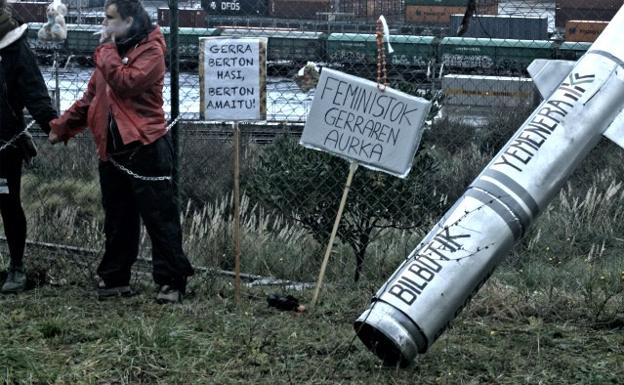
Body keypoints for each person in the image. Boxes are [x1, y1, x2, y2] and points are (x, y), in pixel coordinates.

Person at [49, 0, 194, 303]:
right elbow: (92, 97)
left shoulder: (151, 51)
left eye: (109, 18)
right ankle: (115, 278)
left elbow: (126, 83)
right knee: (118, 218)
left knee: (159, 218)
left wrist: (104, 49)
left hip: (146, 146)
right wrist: (62, 126)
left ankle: (172, 282)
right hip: (112, 149)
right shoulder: (110, 55)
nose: (104, 23)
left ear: (128, 21)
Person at [0, 0, 58, 293]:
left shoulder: (15, 49)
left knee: (8, 204)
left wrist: (55, 127)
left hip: (4, 145)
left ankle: (17, 267)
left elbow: (35, 94)